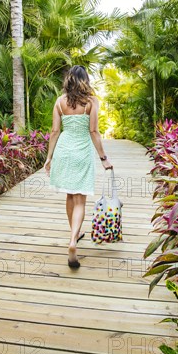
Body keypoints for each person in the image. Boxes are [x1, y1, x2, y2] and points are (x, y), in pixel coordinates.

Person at [44, 65, 113, 269]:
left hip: (64, 151)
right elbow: (94, 131)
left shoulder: (59, 102)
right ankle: (74, 240)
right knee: (80, 199)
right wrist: (103, 158)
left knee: (69, 195)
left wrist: (49, 157)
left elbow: (55, 131)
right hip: (81, 152)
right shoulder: (91, 102)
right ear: (85, 80)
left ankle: (74, 233)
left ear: (69, 80)